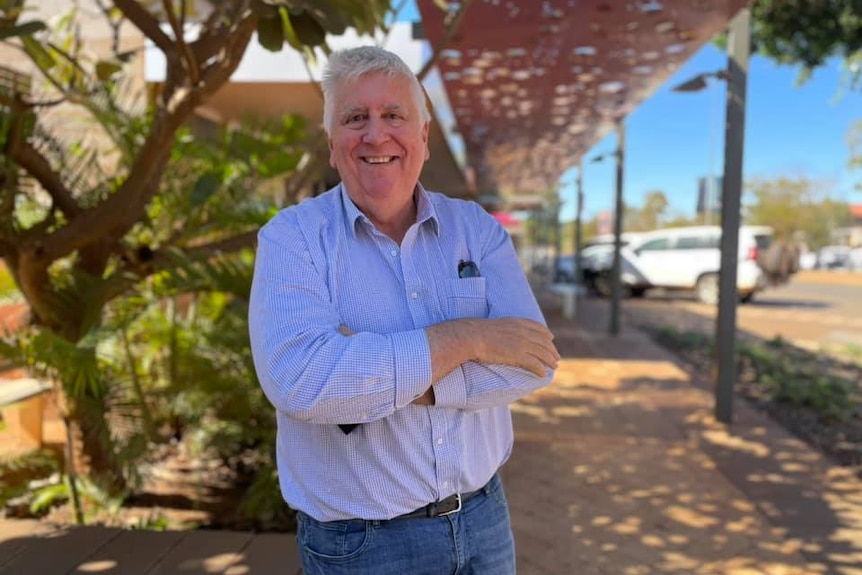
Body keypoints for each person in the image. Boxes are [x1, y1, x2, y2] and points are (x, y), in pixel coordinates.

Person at [248, 45, 559, 575]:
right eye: (354, 118)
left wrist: (370, 375)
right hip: (361, 544)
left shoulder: (476, 230)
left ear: (423, 137)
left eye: (394, 115)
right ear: (331, 144)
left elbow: (534, 360)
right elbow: (302, 381)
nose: (375, 135)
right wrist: (471, 339)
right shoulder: (293, 238)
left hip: (485, 520)